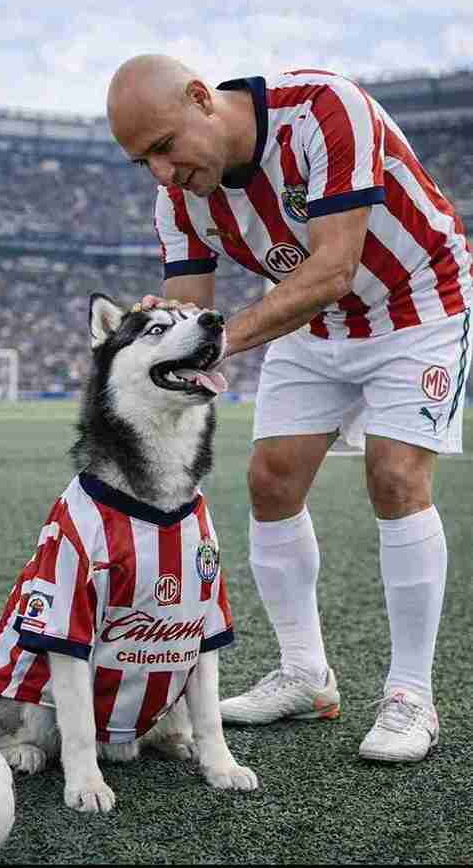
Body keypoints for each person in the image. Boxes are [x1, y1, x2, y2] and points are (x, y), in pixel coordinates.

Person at [106, 54, 472, 762]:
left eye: (163, 146)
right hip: (317, 323)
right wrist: (162, 339)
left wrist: (213, 345)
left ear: (199, 98)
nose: (160, 172)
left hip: (419, 302)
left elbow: (334, 266)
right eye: (141, 161)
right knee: (270, 480)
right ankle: (306, 675)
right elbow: (193, 312)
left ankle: (411, 695)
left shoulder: (324, 110)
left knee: (395, 476)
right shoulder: (178, 198)